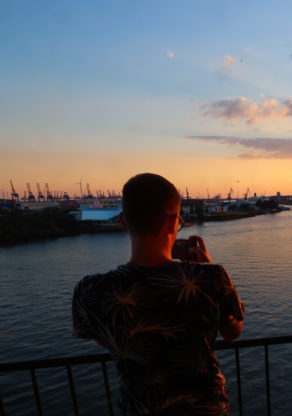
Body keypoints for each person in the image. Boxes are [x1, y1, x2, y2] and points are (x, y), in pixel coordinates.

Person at [72, 173, 244, 416]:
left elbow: (105, 338)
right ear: (174, 222)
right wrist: (205, 266)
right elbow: (232, 332)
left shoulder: (90, 291)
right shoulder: (211, 277)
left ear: (123, 221)